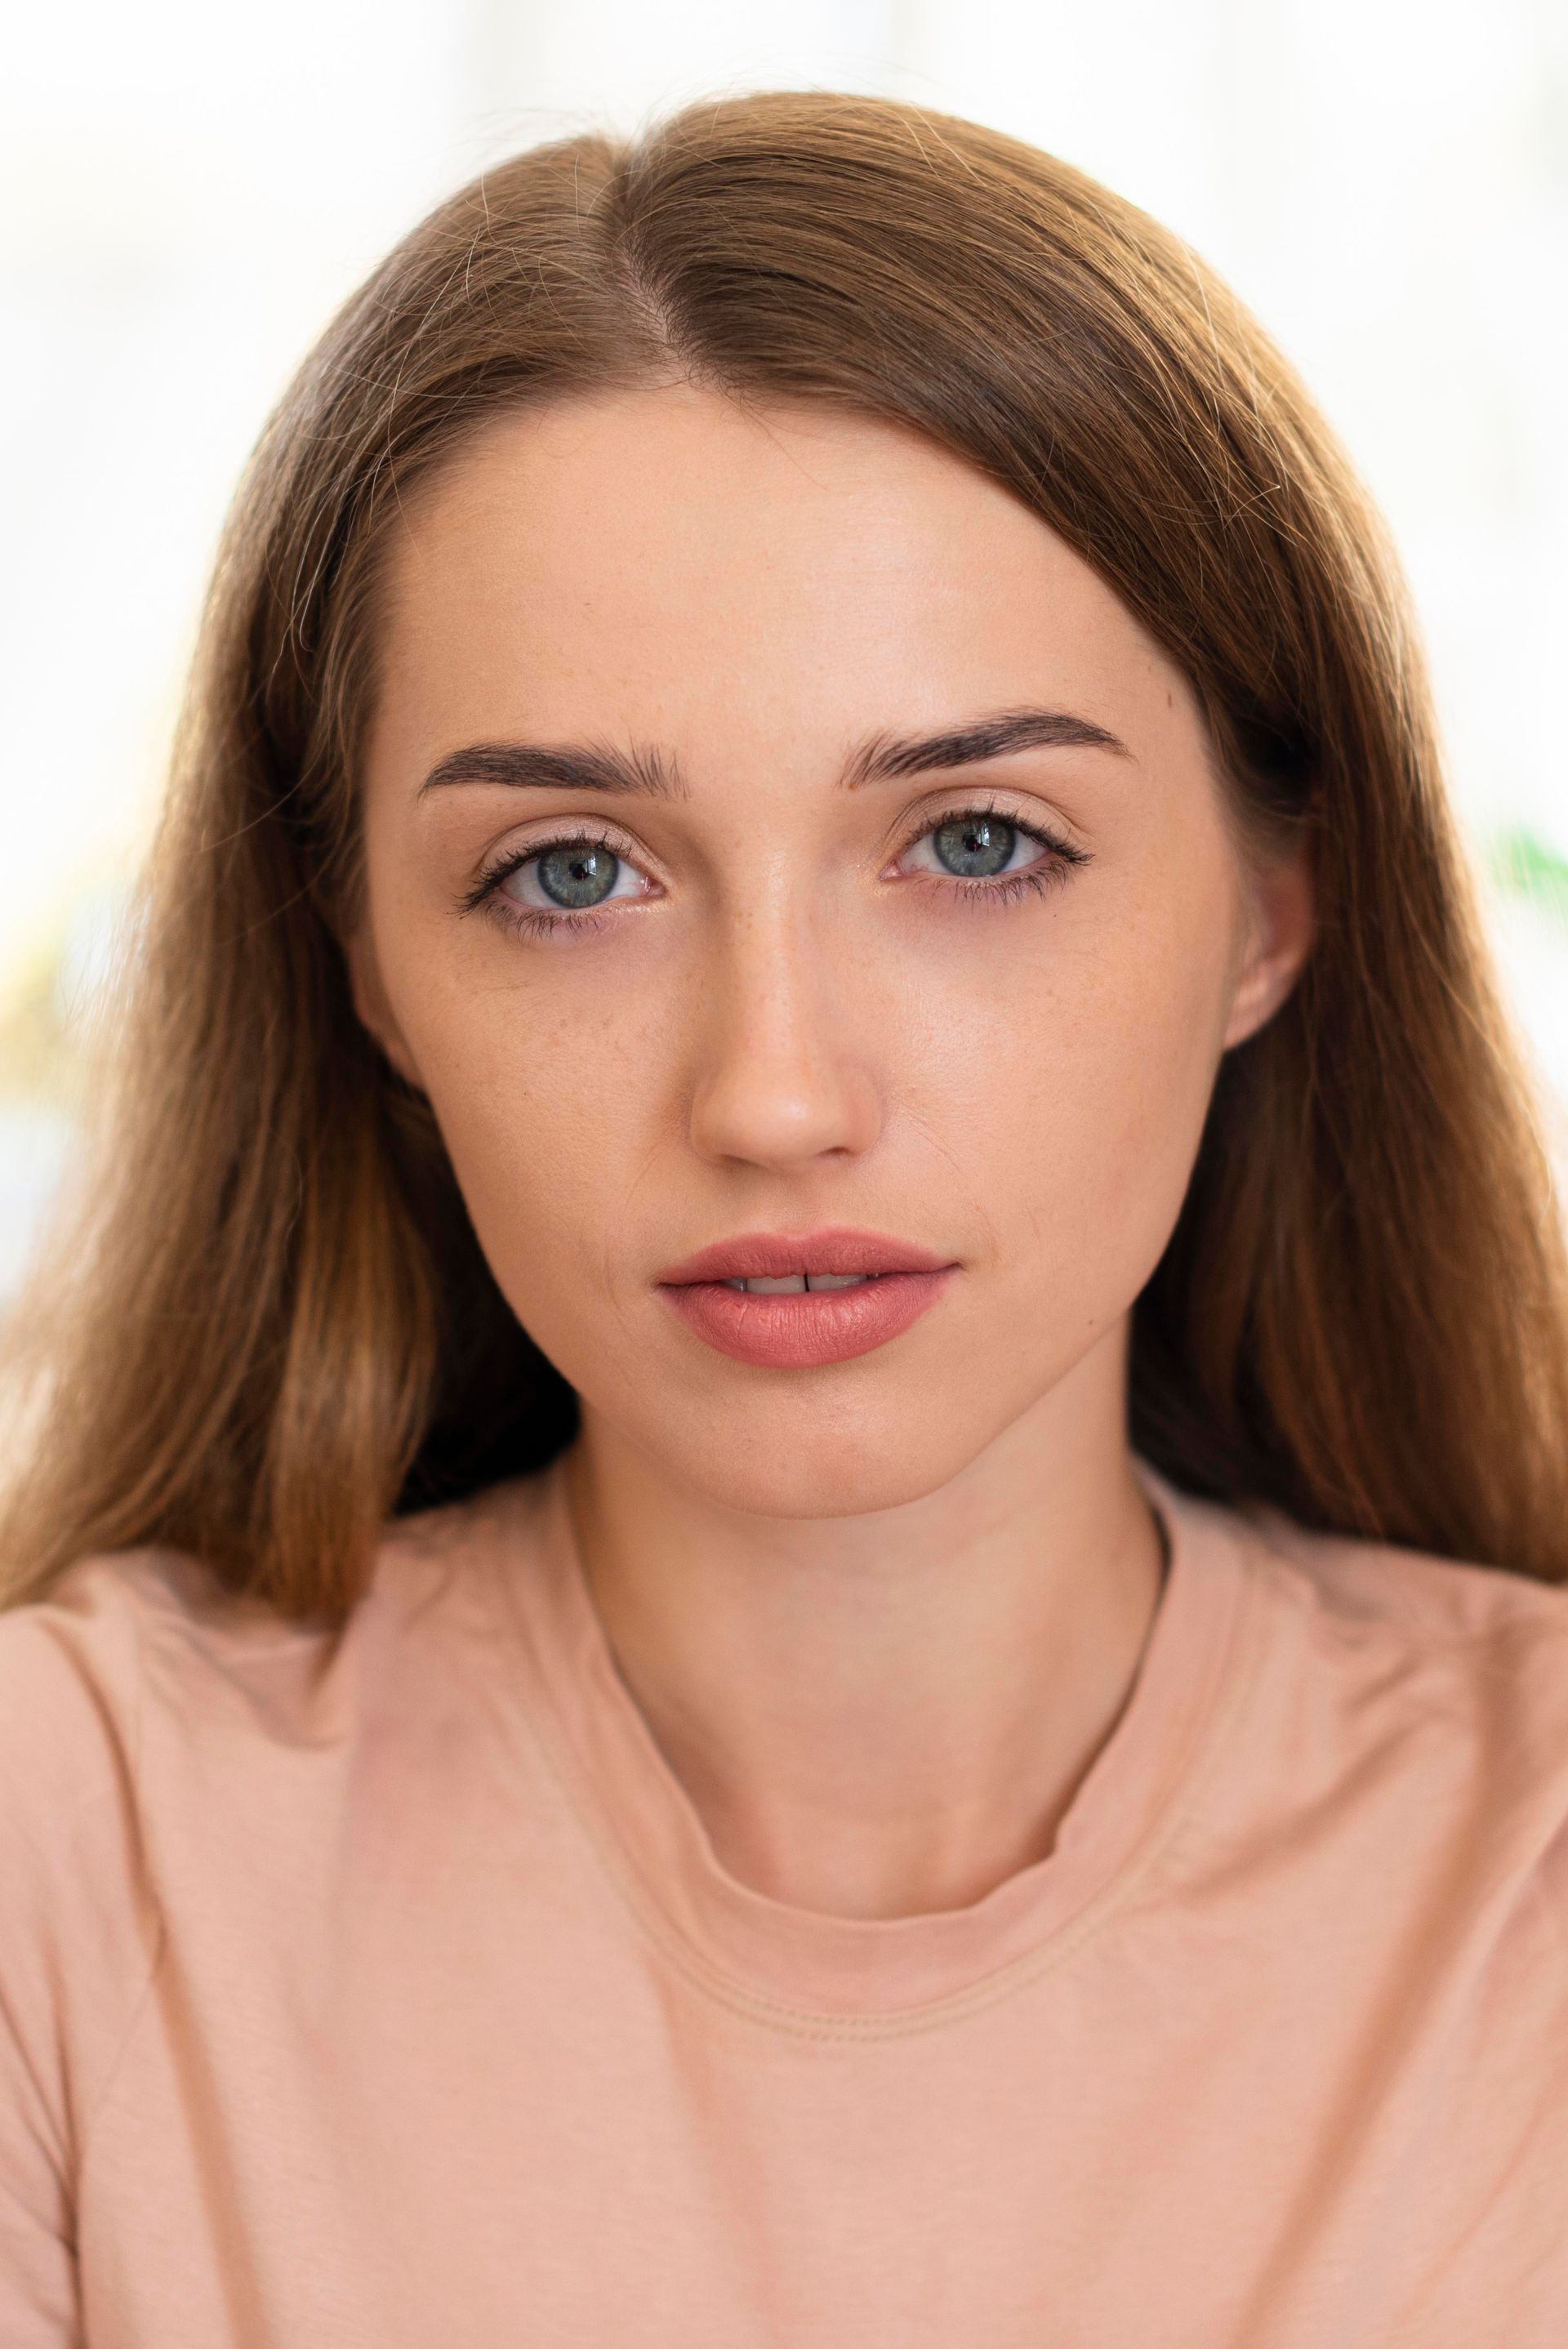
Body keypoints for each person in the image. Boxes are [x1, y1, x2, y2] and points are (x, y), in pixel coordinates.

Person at [2, 86, 1566, 2347]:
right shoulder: (70, 1850)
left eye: (976, 842)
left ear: (1274, 904)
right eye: (571, 875)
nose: (774, 1093)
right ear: (363, 967)